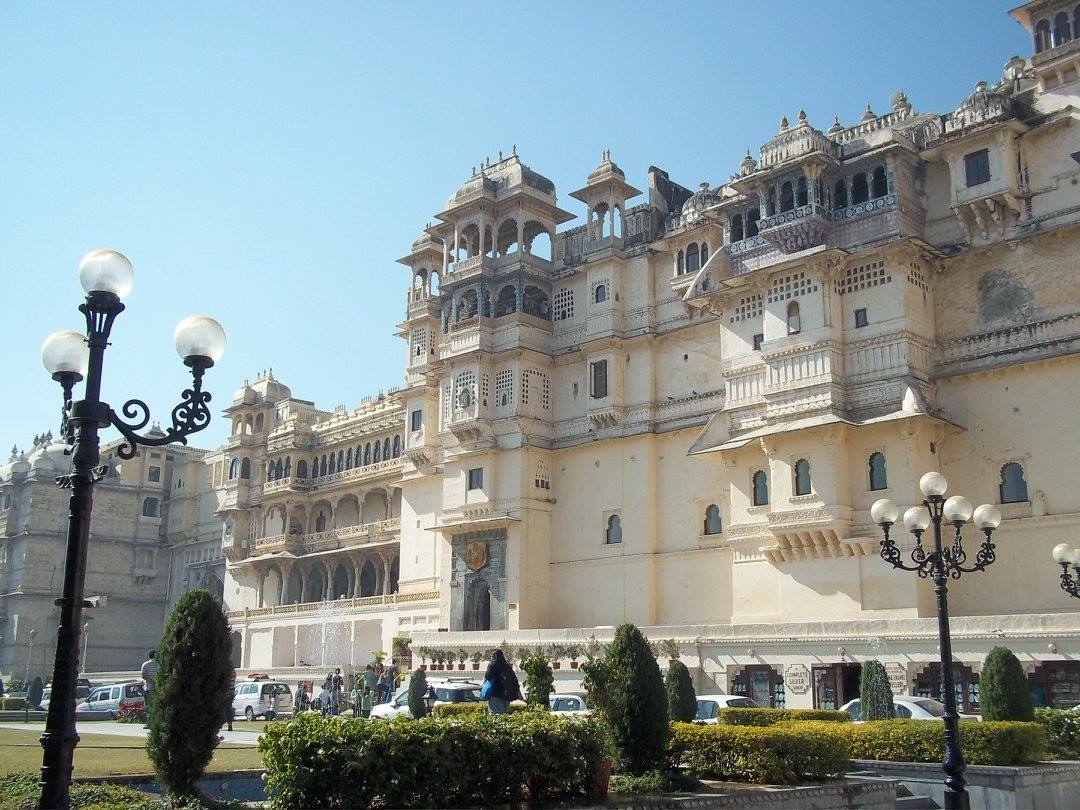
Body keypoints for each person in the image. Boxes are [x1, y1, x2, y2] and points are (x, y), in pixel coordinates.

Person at [483, 649, 520, 715]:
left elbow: (488, 676)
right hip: (507, 695)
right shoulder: (507, 666)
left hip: (496, 695)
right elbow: (514, 679)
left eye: (492, 656)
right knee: (504, 714)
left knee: (495, 715)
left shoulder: (492, 665)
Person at [140, 650, 159, 728]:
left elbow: (143, 676)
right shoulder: (159, 664)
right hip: (158, 688)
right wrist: (156, 682)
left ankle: (149, 722)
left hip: (149, 688)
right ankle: (156, 722)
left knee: (148, 706)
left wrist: (151, 681)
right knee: (157, 705)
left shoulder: (145, 664)